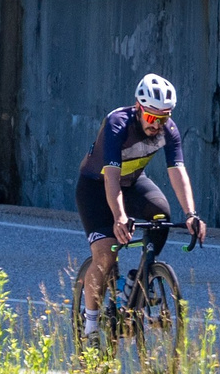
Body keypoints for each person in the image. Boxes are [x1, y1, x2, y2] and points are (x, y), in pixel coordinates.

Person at [75, 73, 205, 336]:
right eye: (152, 117)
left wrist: (191, 214)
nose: (157, 125)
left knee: (162, 215)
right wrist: (120, 216)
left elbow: (178, 172)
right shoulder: (117, 124)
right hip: (96, 186)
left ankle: (138, 279)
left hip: (132, 182)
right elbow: (111, 177)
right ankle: (89, 328)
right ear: (138, 108)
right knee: (106, 254)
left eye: (164, 117)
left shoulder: (168, 131)